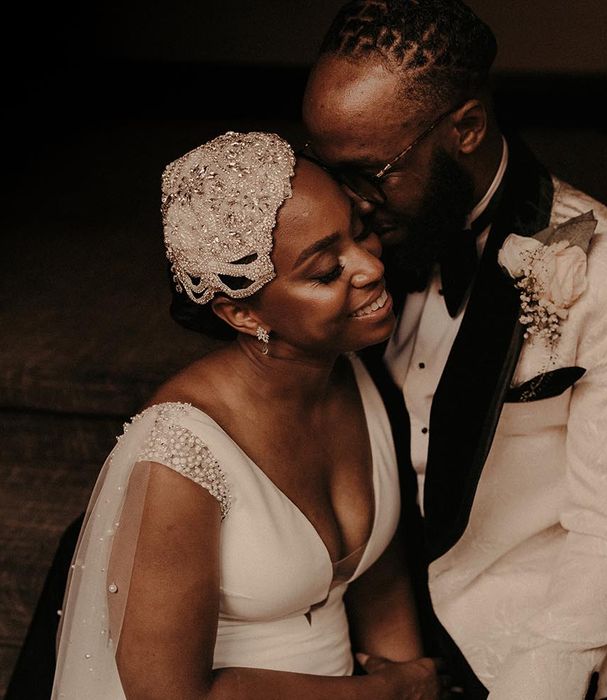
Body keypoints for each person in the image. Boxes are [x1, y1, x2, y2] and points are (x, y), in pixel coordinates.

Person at [301, 2, 607, 699]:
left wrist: (544, 676)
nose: (349, 203)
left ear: (467, 128)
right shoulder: (353, 243)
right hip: (366, 613)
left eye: (371, 171)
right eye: (330, 170)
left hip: (514, 640)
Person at [52, 130, 443, 699]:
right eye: (326, 271)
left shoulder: (353, 371)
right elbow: (168, 696)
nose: (368, 267)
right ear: (241, 312)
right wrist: (388, 693)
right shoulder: (179, 456)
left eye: (360, 233)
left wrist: (411, 679)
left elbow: (380, 581)